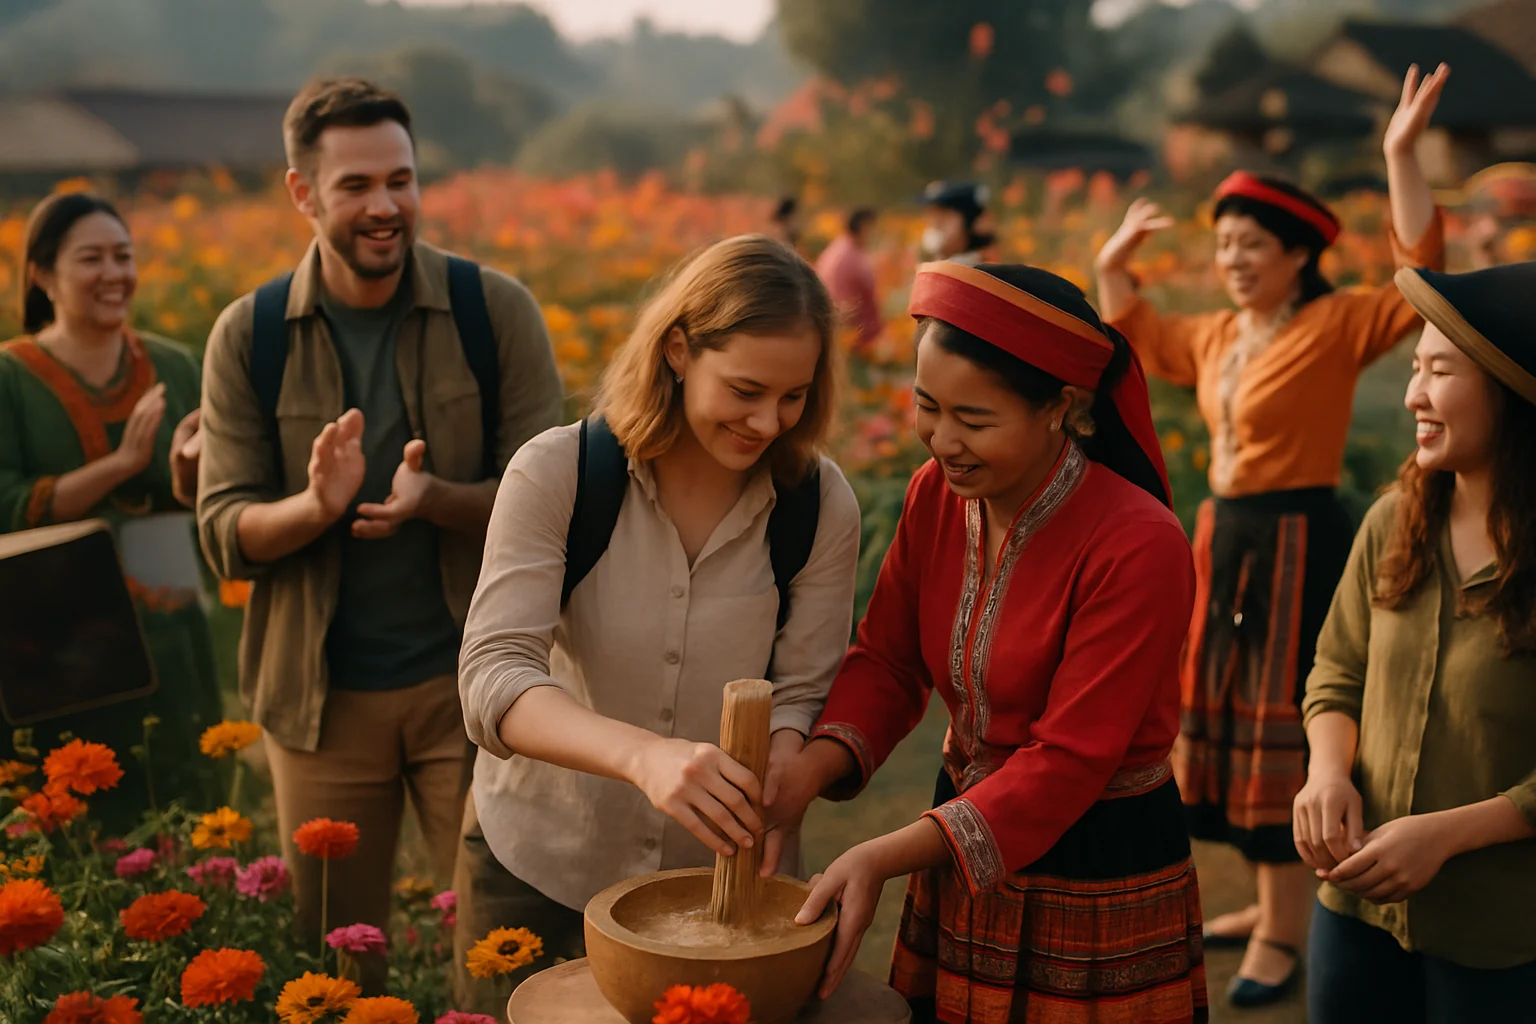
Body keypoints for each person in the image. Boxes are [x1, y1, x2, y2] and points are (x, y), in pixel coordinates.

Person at [764, 261, 1207, 1024]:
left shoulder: (1139, 544)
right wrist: (802, 775)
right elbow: (890, 659)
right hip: (959, 842)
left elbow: (1069, 762)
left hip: (1095, 860)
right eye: (927, 406)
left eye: (974, 420)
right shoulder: (935, 495)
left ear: (1061, 408)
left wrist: (882, 854)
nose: (943, 441)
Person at [194, 78, 563, 992]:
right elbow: (223, 531)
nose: (385, 206)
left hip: (481, 693)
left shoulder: (494, 312)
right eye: (356, 184)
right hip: (320, 705)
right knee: (338, 968)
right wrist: (316, 507)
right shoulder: (249, 337)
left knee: (508, 953)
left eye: (400, 179)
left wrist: (435, 496)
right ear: (302, 192)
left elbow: (563, 506)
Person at [1093, 63, 1451, 1003]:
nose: (1235, 261)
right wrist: (1112, 266)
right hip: (1228, 538)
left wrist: (1401, 154)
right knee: (1227, 721)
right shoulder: (1216, 336)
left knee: (1289, 715)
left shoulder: (1335, 323)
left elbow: (1421, 275)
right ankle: (1267, 904)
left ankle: (1287, 931)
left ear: (1298, 252)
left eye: (1252, 244)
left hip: (1299, 539)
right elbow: (1132, 332)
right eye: (1223, 247)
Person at [454, 234, 862, 1013]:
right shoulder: (559, 473)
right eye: (744, 389)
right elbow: (493, 678)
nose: (768, 421)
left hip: (720, 895)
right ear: (678, 350)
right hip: (541, 870)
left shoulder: (817, 502)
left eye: (794, 396)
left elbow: (807, 686)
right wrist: (645, 758)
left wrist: (786, 765)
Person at [1295, 260, 1536, 1022]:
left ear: (1510, 388)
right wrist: (1327, 773)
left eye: (1440, 371)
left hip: (1500, 932)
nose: (1412, 396)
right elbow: (1336, 671)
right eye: (1413, 368)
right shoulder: (1392, 521)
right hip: (1352, 907)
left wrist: (1448, 835)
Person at [0, 192, 222, 833]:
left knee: (185, 794)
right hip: (52, 634)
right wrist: (121, 466)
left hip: (172, 619)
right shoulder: (11, 379)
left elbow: (218, 492)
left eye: (123, 256)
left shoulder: (177, 365)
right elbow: (7, 507)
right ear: (42, 273)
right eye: (90, 257)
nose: (114, 273)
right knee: (74, 808)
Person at [814, 208, 882, 353]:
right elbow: (847, 307)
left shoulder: (837, 249)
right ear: (864, 227)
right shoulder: (850, 259)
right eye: (873, 229)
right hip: (850, 341)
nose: (874, 235)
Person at [918, 181, 994, 266]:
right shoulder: (935, 267)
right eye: (932, 214)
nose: (936, 224)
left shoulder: (976, 273)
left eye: (944, 215)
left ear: (971, 222)